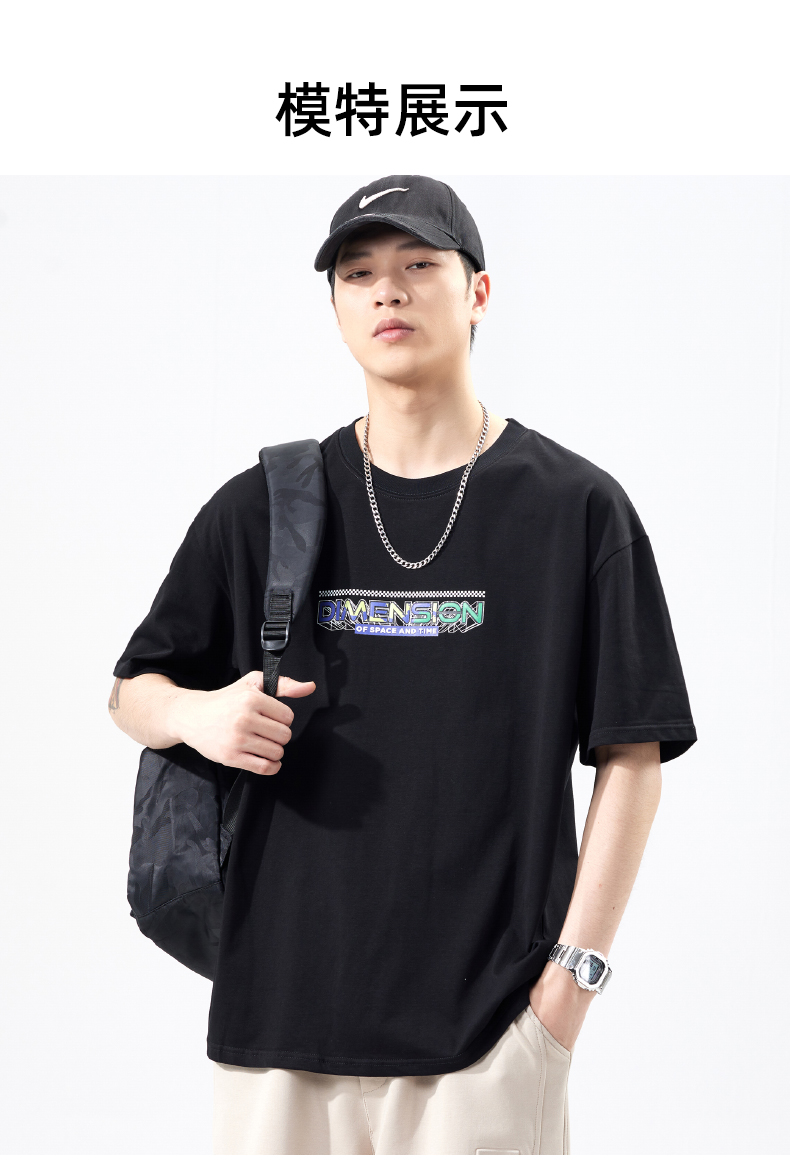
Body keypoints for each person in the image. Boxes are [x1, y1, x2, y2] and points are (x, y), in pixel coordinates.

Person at [109, 174, 696, 1155]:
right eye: (359, 273)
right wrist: (196, 715)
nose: (388, 289)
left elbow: (633, 756)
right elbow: (133, 691)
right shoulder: (261, 506)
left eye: (420, 263)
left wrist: (569, 986)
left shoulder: (575, 510)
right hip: (275, 1032)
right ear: (337, 307)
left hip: (489, 1035)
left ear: (478, 292)